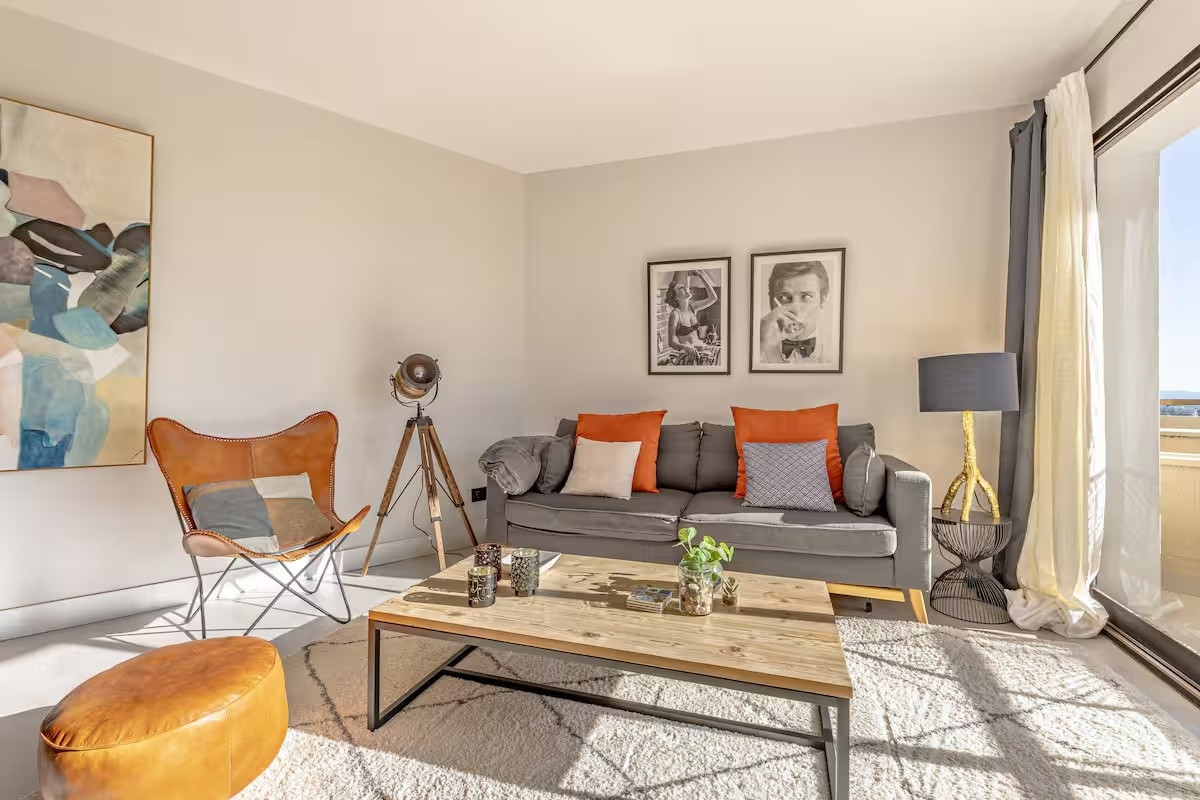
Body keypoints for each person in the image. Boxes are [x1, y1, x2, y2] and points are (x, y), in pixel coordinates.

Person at [758, 260, 830, 364]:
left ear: (822, 300)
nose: (795, 309)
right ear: (771, 303)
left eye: (806, 297)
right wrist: (760, 346)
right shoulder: (755, 347)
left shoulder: (835, 352)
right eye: (784, 297)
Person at [664, 269, 719, 365]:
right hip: (689, 355)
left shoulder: (692, 308)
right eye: (681, 288)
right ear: (676, 297)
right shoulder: (675, 314)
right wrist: (686, 347)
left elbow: (713, 297)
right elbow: (671, 342)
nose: (686, 287)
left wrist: (701, 275)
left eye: (685, 286)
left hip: (703, 350)